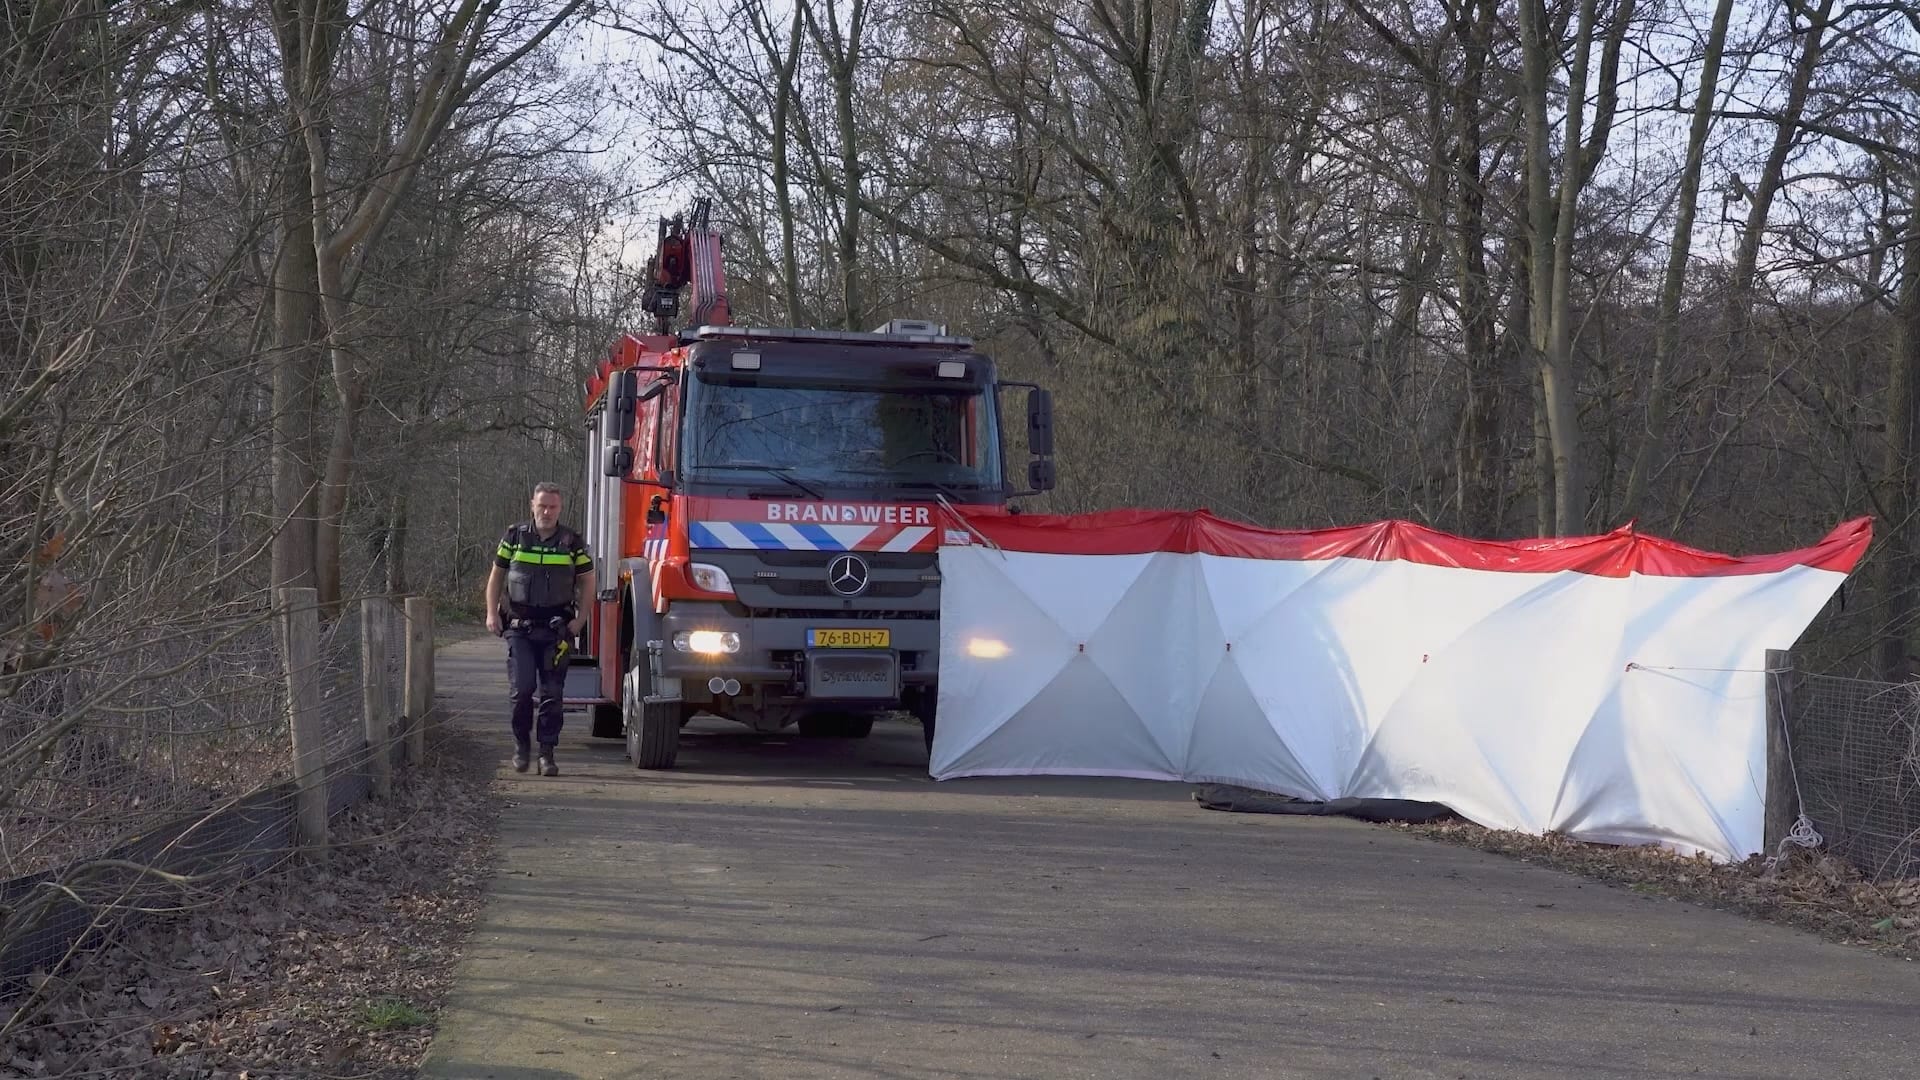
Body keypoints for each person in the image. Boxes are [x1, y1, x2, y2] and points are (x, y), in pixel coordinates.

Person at [485, 482, 595, 776]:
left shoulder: (572, 541)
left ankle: (547, 754)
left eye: (553, 507)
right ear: (532, 505)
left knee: (552, 695)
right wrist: (490, 613)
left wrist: (581, 620)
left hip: (556, 631)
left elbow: (588, 582)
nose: (547, 512)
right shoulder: (515, 537)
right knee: (522, 691)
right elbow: (497, 577)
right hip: (519, 628)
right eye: (542, 505)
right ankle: (522, 747)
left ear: (560, 508)